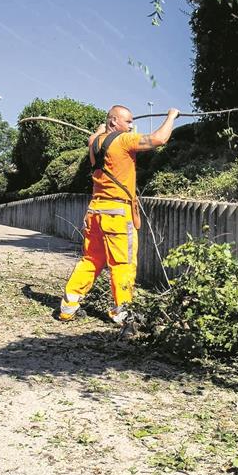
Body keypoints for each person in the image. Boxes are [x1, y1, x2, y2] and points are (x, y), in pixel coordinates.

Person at [58, 105, 179, 324]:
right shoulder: (123, 141)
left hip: (95, 211)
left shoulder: (93, 142)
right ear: (114, 122)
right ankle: (123, 312)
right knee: (122, 263)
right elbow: (159, 139)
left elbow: (97, 133)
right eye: (129, 122)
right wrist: (171, 116)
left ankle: (68, 306)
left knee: (91, 259)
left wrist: (102, 127)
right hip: (117, 214)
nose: (132, 126)